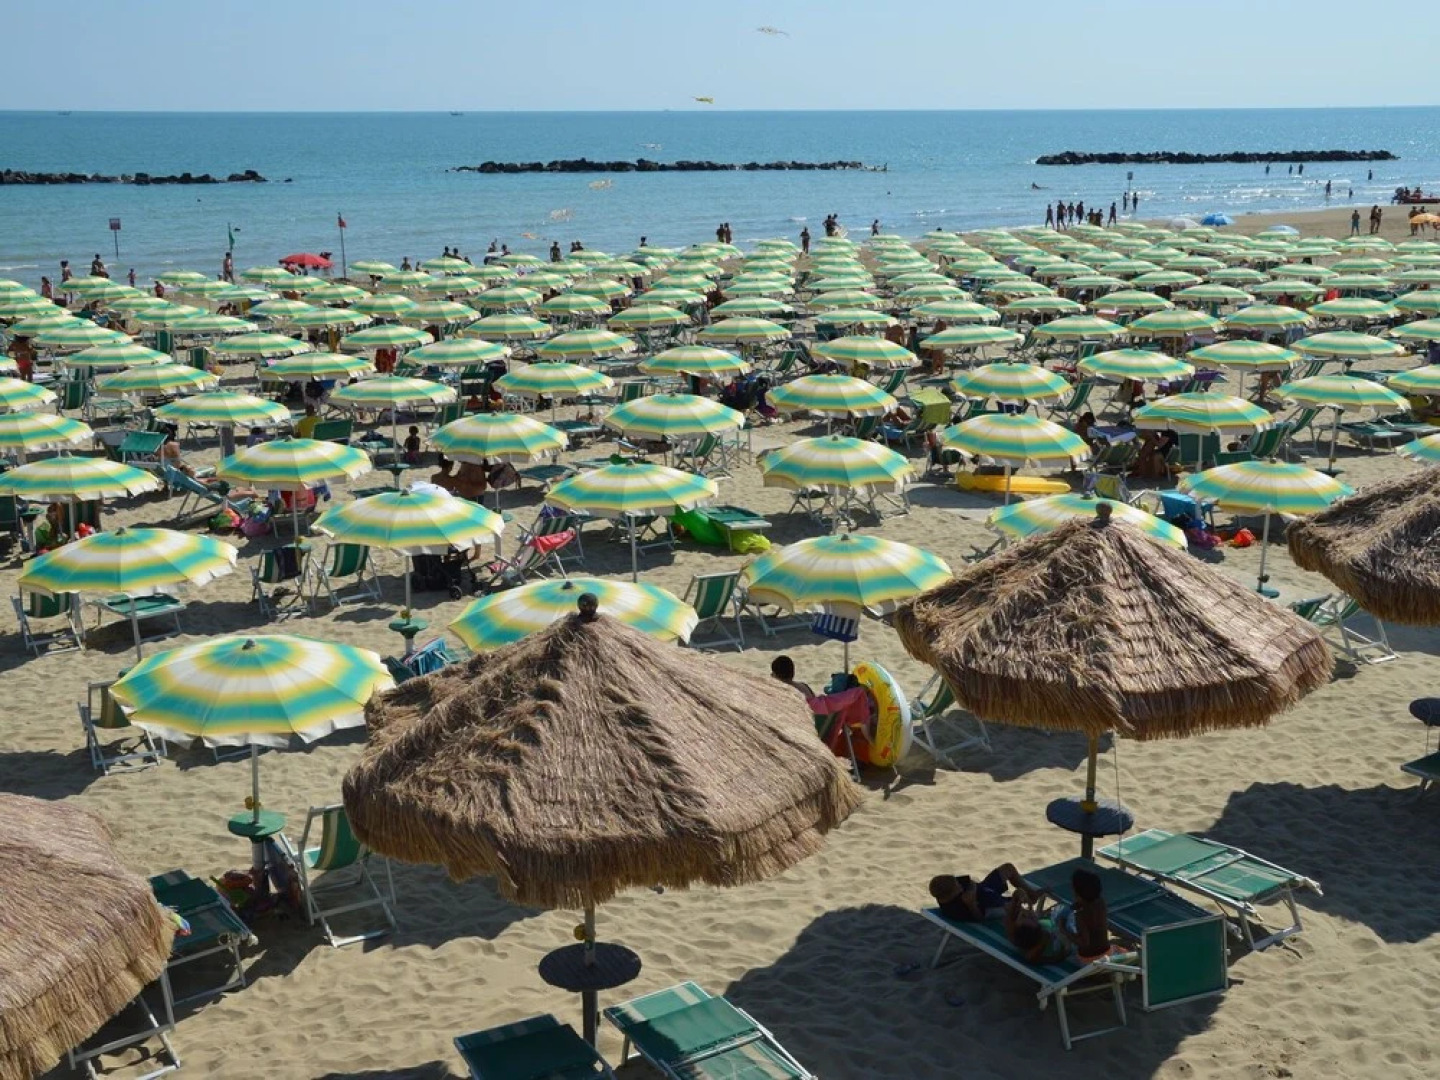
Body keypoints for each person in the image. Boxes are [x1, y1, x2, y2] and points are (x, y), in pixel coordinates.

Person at [928, 864, 1037, 922]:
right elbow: (980, 919)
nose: (960, 886)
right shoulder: (953, 909)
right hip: (986, 908)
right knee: (1012, 907)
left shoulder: (952, 883)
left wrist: (972, 890)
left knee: (1008, 868)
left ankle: (1032, 895)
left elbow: (970, 882)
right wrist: (972, 905)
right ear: (950, 895)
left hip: (983, 889)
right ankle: (1037, 918)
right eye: (957, 887)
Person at [1005, 891, 1073, 965]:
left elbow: (1016, 897)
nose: (1027, 913)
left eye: (1024, 916)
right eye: (1027, 916)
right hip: (1063, 930)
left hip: (1053, 924)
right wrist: (1067, 950)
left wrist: (1021, 895)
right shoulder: (1045, 937)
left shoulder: (1014, 932)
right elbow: (1058, 956)